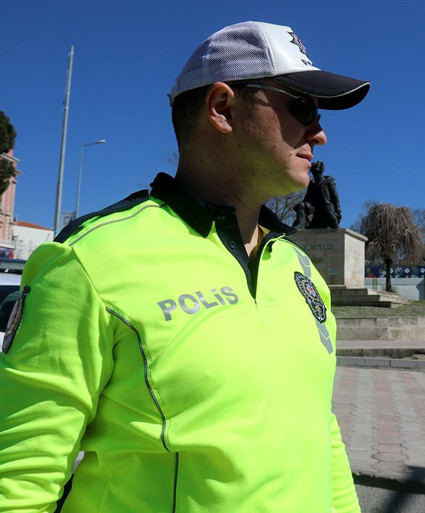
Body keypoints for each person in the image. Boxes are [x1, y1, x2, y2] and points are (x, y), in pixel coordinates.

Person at [0, 21, 369, 512]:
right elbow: (18, 483)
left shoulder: (299, 268)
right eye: (302, 108)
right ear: (222, 108)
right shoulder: (89, 260)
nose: (319, 134)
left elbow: (320, 430)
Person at [301, 160, 342, 229]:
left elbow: (335, 198)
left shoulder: (329, 182)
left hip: (326, 208)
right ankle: (300, 225)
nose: (315, 175)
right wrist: (302, 205)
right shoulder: (312, 184)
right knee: (301, 206)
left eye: (316, 172)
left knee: (329, 214)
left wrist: (338, 212)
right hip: (315, 209)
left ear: (320, 172)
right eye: (313, 173)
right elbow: (307, 198)